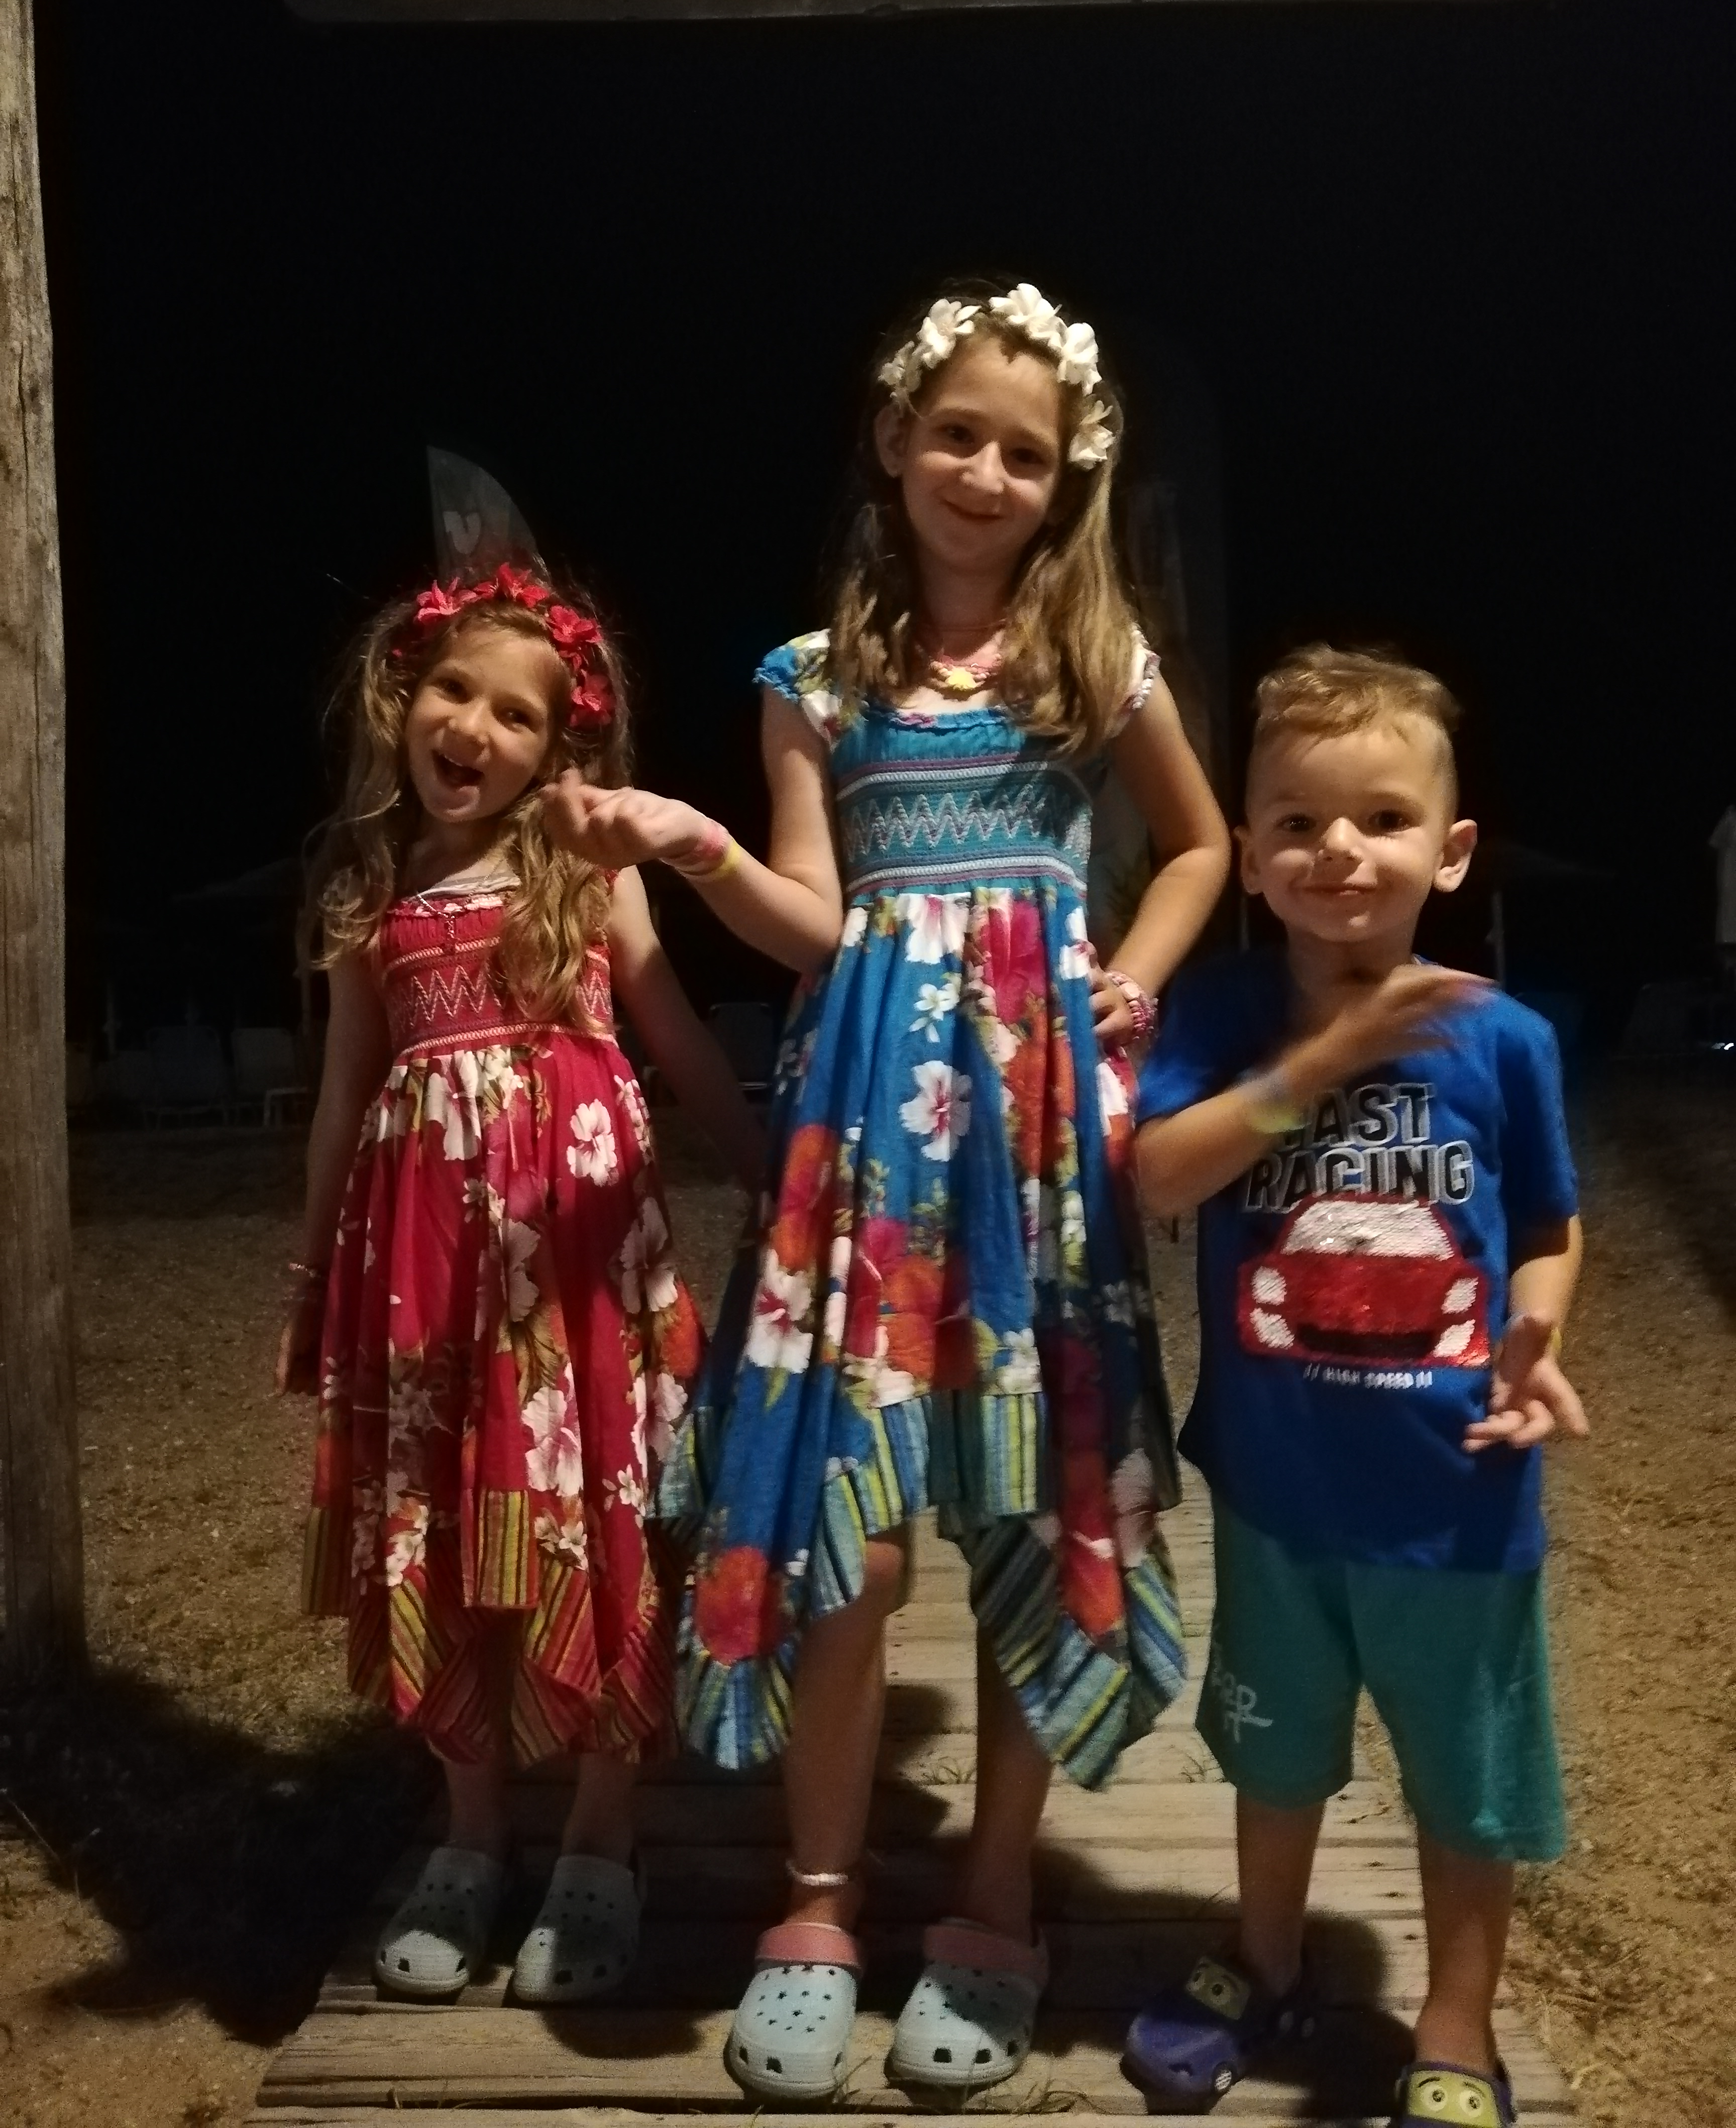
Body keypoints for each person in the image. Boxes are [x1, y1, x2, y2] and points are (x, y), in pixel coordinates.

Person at [542, 281, 1231, 2097]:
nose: (986, 473)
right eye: (957, 436)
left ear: (1067, 477)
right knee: (846, 1525)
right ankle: (821, 1900)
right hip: (862, 1135)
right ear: (894, 442)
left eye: (1026, 451)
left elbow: (1204, 843)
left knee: (1030, 1490)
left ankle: (996, 1900)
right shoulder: (811, 679)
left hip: (1036, 1142)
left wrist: (1131, 978)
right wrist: (694, 846)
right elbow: (818, 921)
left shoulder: (1100, 660)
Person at [276, 561, 761, 2006]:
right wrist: (313, 1266)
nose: (473, 728)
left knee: (598, 1525)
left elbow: (671, 1033)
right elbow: (342, 1093)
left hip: (579, 1271)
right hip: (423, 1273)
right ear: (402, 698)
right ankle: (472, 1833)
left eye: (516, 713)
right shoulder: (366, 888)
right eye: (452, 692)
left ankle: (603, 1840)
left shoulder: (587, 872)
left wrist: (771, 1169)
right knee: (433, 1523)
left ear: (562, 748)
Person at [1125, 645, 1586, 2127]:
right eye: (1300, 822)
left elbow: (1546, 1225)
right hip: (1278, 1494)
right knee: (1275, 1754)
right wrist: (1324, 1062)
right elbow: (1158, 1176)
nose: (1340, 849)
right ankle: (1268, 1964)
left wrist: (1535, 1334)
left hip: (1459, 1502)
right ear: (1251, 851)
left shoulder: (1505, 1036)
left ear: (1450, 851)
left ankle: (1456, 2025)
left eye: (1384, 818)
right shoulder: (1221, 1013)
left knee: (1467, 1777)